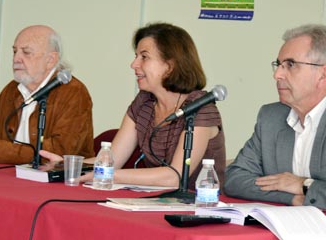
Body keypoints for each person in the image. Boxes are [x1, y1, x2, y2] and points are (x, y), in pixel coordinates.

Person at [224, 24, 326, 218]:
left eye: (290, 65)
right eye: (278, 65)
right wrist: (293, 199)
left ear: (322, 74)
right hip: (289, 230)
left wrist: (304, 185)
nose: (277, 75)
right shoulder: (271, 117)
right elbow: (235, 179)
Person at [42, 22, 226, 190]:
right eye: (136, 56)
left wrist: (110, 176)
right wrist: (67, 165)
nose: (134, 64)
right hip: (154, 201)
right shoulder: (144, 102)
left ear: (170, 65)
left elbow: (174, 177)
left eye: (144, 57)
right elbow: (112, 160)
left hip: (198, 207)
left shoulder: (200, 108)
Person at [0, 25, 94, 164]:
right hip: (8, 176)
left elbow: (59, 151)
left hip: (56, 182)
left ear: (51, 59)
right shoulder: (12, 89)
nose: (16, 58)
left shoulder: (74, 93)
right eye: (14, 51)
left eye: (26, 52)